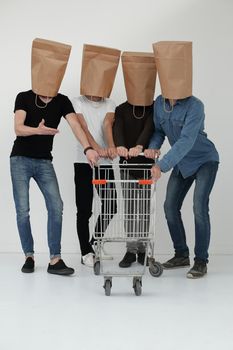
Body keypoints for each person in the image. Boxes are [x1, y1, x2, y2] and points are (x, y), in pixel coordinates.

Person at [10, 38, 99, 276]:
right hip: (20, 159)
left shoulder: (62, 101)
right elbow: (18, 128)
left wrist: (89, 148)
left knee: (56, 206)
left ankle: (54, 260)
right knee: (23, 210)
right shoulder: (24, 97)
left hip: (43, 162)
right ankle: (29, 255)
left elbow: (76, 126)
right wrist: (37, 130)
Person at [145, 41, 219, 278]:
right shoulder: (159, 103)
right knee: (169, 207)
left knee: (199, 207)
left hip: (204, 159)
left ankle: (201, 261)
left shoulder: (195, 106)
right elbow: (158, 131)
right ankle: (181, 254)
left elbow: (186, 141)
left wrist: (161, 165)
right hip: (182, 163)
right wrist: (153, 148)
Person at [72, 44, 120, 267]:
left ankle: (96, 242)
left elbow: (108, 124)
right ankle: (85, 252)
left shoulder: (110, 103)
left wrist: (110, 148)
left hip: (103, 164)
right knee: (85, 209)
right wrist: (95, 149)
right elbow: (83, 128)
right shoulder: (78, 102)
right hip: (83, 162)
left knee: (111, 205)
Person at [113, 51, 157, 268]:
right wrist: (120, 145)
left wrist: (139, 146)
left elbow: (149, 129)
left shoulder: (153, 108)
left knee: (145, 208)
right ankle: (131, 251)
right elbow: (117, 128)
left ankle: (143, 249)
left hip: (146, 165)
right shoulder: (121, 109)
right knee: (130, 208)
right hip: (127, 166)